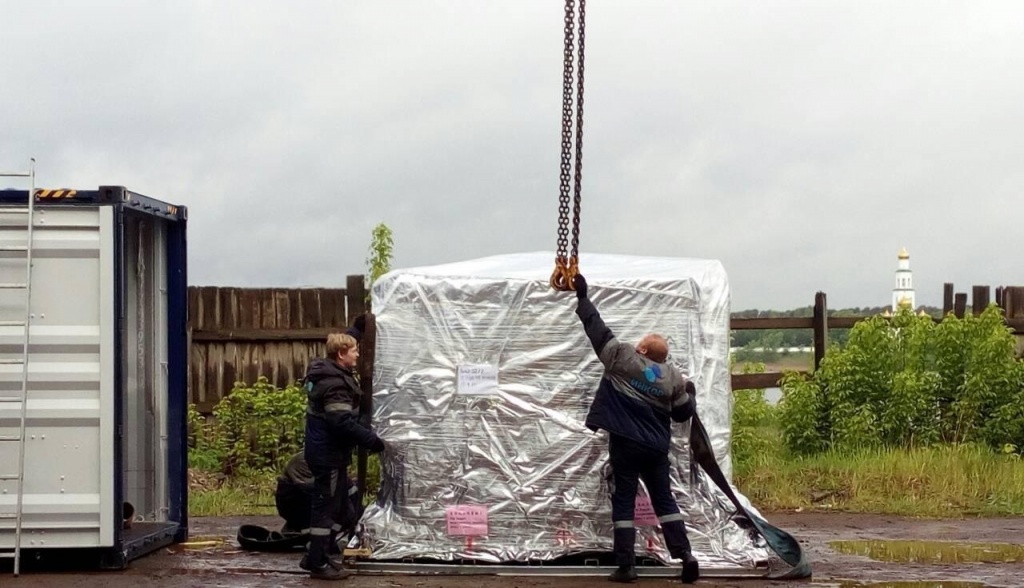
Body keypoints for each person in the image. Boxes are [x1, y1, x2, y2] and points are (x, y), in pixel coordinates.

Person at [572, 274, 700, 584]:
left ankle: (626, 567)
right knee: (665, 501)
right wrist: (691, 395)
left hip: (627, 444)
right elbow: (683, 412)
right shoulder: (672, 377)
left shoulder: (624, 358)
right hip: (656, 448)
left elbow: (598, 332)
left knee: (625, 502)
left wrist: (583, 298)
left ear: (642, 350)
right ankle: (686, 556)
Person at [301, 316, 386, 581]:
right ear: (341, 355)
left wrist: (357, 331)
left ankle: (319, 554)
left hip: (328, 453)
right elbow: (341, 423)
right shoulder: (336, 385)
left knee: (338, 503)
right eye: (355, 351)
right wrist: (374, 441)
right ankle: (316, 562)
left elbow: (343, 343)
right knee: (324, 507)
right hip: (327, 455)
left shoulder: (328, 370)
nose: (358, 354)